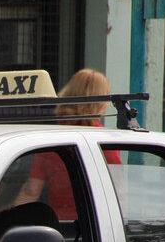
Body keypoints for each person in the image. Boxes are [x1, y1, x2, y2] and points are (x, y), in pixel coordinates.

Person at [13, 68, 121, 219]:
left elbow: (31, 191)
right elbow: (119, 195)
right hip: (96, 233)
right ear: (102, 103)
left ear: (69, 92)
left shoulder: (52, 142)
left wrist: (10, 223)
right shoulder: (106, 143)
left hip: (59, 229)